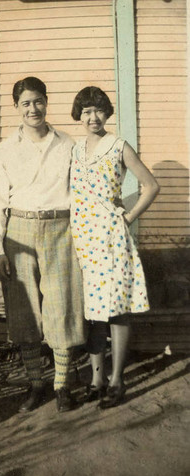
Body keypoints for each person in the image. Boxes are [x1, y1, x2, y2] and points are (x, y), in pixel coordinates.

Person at [0, 76, 85, 413]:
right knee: (25, 312)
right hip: (20, 231)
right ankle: (35, 385)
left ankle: (62, 386)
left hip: (62, 229)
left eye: (38, 101)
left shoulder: (68, 144)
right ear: (17, 108)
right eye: (26, 103)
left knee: (62, 307)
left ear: (46, 102)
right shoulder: (4, 150)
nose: (33, 108)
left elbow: (83, 194)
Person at [70, 86, 160, 408]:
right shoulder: (74, 149)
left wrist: (128, 218)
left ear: (107, 113)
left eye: (98, 110)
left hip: (111, 240)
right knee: (93, 314)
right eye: (86, 112)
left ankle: (117, 381)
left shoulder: (119, 146)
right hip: (83, 241)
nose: (92, 117)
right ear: (79, 116)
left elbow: (151, 186)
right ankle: (96, 379)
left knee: (117, 310)